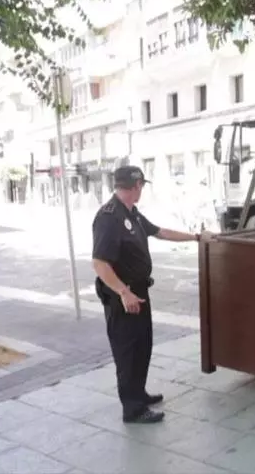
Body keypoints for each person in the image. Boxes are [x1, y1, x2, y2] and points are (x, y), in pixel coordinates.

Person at [91, 165, 208, 423]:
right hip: (123, 296)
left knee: (143, 345)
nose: (142, 189)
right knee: (127, 351)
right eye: (141, 185)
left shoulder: (131, 212)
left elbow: (160, 232)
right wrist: (123, 292)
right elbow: (100, 263)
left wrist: (196, 237)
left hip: (139, 291)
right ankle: (132, 409)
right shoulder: (108, 217)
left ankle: (139, 393)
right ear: (136, 186)